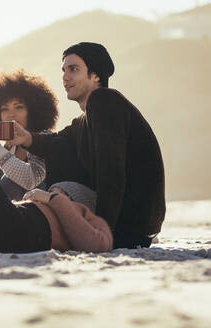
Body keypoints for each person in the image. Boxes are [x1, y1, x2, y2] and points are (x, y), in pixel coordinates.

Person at [11, 42, 165, 249]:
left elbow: (111, 171)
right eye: (64, 70)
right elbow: (56, 140)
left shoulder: (104, 101)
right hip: (133, 222)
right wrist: (27, 138)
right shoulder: (86, 118)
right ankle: (59, 214)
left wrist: (102, 232)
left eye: (74, 70)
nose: (65, 77)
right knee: (58, 144)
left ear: (96, 76)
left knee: (59, 148)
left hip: (131, 221)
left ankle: (60, 215)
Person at [0, 69, 59, 200]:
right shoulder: (9, 144)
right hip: (11, 207)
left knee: (10, 179)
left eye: (18, 107)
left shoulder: (44, 139)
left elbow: (30, 180)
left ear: (32, 110)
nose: (11, 114)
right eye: (4, 109)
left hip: (40, 206)